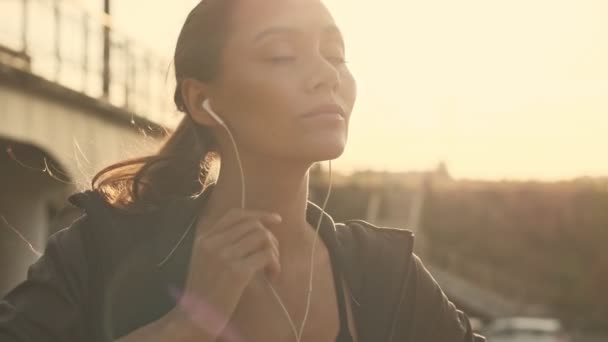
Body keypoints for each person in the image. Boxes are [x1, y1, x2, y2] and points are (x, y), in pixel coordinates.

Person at [0, 0, 485, 341]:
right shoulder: (102, 249)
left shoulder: (386, 274)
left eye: (335, 55)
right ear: (202, 100)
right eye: (281, 55)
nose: (326, 74)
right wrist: (186, 325)